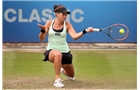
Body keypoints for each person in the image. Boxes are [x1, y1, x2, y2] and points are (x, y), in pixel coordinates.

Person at [38, 4, 94, 88]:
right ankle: (57, 80)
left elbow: (74, 37)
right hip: (51, 52)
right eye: (63, 14)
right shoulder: (49, 23)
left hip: (65, 53)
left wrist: (85, 31)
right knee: (57, 54)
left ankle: (62, 69)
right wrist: (42, 30)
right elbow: (41, 38)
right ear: (57, 14)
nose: (65, 16)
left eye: (66, 14)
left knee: (71, 76)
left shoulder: (67, 25)